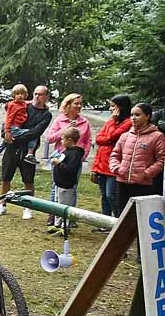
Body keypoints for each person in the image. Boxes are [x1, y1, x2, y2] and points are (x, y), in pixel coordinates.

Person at [0, 85, 53, 219]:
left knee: (28, 180)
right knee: (5, 177)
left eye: (41, 94)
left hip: (28, 151)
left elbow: (36, 132)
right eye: (36, 93)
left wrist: (16, 136)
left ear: (46, 97)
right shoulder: (24, 105)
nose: (37, 97)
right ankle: (2, 204)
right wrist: (6, 133)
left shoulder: (46, 114)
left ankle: (28, 206)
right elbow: (9, 119)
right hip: (12, 147)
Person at [44, 93, 91, 225]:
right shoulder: (60, 120)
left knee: (73, 187)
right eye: (76, 103)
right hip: (60, 156)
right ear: (68, 104)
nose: (79, 106)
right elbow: (50, 138)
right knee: (56, 187)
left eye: (80, 103)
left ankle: (70, 217)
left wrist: (84, 154)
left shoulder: (84, 122)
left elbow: (88, 140)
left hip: (75, 158)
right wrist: (64, 130)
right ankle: (53, 215)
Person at [109, 102, 165, 213]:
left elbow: (161, 160)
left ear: (147, 116)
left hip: (144, 185)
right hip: (123, 182)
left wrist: (146, 174)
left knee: (141, 216)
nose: (133, 118)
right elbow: (114, 155)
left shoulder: (157, 136)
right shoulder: (125, 136)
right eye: (131, 115)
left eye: (137, 115)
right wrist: (117, 168)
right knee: (123, 215)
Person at [90, 95, 132, 225]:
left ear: (121, 107)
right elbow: (99, 138)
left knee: (111, 195)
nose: (110, 109)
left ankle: (118, 223)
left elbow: (113, 137)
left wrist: (112, 124)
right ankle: (105, 222)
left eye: (113, 106)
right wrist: (107, 136)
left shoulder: (128, 123)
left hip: (114, 165)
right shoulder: (110, 122)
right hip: (102, 163)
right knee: (104, 196)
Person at [48, 127, 85, 234]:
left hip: (66, 185)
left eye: (63, 139)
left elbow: (71, 169)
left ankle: (65, 227)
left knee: (64, 206)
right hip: (59, 183)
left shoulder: (75, 154)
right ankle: (57, 224)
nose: (61, 141)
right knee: (58, 204)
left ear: (70, 140)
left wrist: (59, 164)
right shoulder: (66, 151)